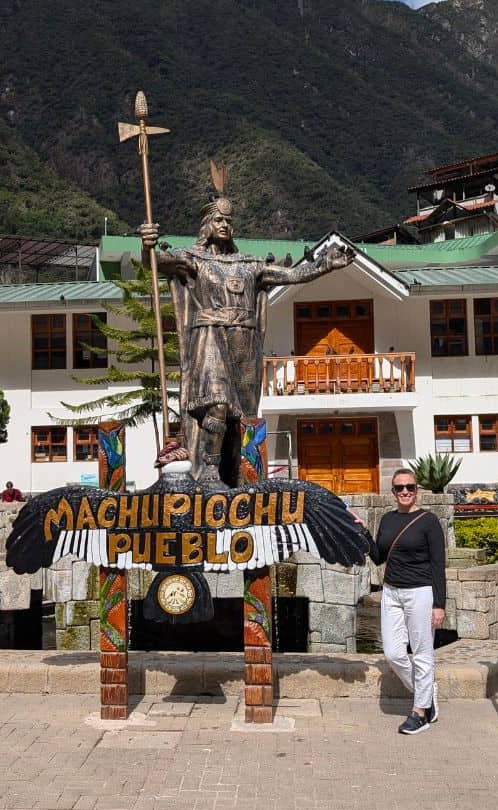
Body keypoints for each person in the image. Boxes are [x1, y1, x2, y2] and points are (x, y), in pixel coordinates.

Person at [140, 187, 353, 486]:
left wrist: (324, 265)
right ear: (207, 226)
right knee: (216, 402)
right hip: (209, 336)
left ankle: (238, 474)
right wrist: (146, 245)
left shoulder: (249, 264)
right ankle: (209, 471)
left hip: (244, 343)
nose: (225, 225)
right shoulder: (193, 259)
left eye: (228, 220)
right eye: (218, 220)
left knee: (240, 416)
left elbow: (290, 276)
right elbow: (153, 264)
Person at [367, 468, 446, 735]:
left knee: (422, 653)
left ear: (417, 490)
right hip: (391, 592)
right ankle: (426, 693)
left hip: (420, 593)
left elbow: (438, 565)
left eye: (409, 487)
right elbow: (378, 556)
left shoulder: (429, 521)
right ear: (392, 492)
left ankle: (420, 712)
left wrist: (439, 604)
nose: (404, 492)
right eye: (399, 488)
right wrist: (362, 534)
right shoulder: (388, 519)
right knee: (393, 653)